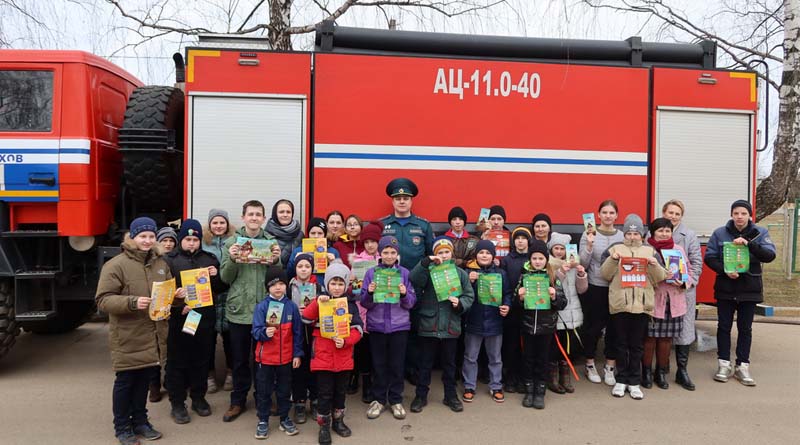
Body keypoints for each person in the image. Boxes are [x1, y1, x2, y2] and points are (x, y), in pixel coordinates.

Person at [96, 216, 186, 445]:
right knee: (126, 381)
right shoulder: (115, 265)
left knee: (144, 381)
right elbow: (103, 301)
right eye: (142, 236)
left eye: (151, 236)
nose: (147, 240)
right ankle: (122, 427)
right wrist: (132, 302)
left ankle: (141, 422)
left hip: (154, 335)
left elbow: (165, 297)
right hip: (128, 335)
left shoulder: (160, 264)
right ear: (133, 238)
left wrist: (176, 298)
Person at [220, 200, 282, 423]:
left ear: (263, 219)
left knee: (264, 360)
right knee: (239, 360)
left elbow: (279, 277)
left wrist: (276, 260)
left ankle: (263, 398)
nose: (254, 218)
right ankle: (237, 401)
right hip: (240, 310)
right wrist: (234, 259)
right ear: (243, 217)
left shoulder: (271, 242)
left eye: (258, 215)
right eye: (250, 214)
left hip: (266, 311)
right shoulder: (231, 243)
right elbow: (225, 278)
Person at [704, 199, 776, 386]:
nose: (739, 217)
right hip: (726, 288)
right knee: (724, 327)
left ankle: (742, 366)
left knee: (745, 329)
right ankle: (723, 364)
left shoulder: (760, 233)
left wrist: (749, 244)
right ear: (731, 215)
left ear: (750, 215)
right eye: (736, 213)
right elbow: (710, 258)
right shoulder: (720, 233)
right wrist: (724, 270)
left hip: (749, 288)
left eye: (743, 213)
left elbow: (769, 256)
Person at [163, 219, 226, 424]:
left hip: (203, 318)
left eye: (195, 239)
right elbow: (160, 291)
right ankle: (177, 403)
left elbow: (220, 288)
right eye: (188, 239)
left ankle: (198, 398)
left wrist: (216, 277)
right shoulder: (169, 261)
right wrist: (177, 299)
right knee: (177, 362)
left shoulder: (210, 259)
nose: (191, 243)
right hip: (179, 319)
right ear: (181, 240)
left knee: (201, 360)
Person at [600, 214, 669, 400]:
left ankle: (634, 381)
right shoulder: (614, 249)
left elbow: (660, 277)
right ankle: (621, 379)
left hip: (642, 305)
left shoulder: (650, 251)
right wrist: (613, 259)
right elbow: (604, 274)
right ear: (624, 233)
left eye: (636, 233)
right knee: (620, 344)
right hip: (620, 304)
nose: (632, 236)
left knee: (637, 345)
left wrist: (654, 265)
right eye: (629, 232)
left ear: (642, 234)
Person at [409, 237, 474, 413]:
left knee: (449, 364)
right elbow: (413, 278)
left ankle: (450, 395)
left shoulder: (460, 273)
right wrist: (425, 262)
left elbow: (469, 296)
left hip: (450, 326)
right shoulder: (428, 271)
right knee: (425, 364)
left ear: (451, 253)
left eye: (447, 252)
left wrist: (459, 304)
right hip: (429, 324)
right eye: (440, 252)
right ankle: (421, 395)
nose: (444, 255)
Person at [302, 262, 364, 445]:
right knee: (324, 394)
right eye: (333, 283)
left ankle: (338, 421)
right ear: (327, 284)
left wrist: (346, 341)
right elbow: (306, 318)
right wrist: (317, 302)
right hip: (323, 358)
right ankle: (323, 426)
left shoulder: (350, 306)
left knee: (340, 393)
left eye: (340, 284)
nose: (336, 288)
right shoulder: (321, 301)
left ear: (346, 286)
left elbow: (359, 329)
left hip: (344, 358)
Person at [380, 178, 433, 386]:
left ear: (411, 201)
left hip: (415, 288)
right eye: (398, 198)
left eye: (405, 198)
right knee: (390, 331)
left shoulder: (423, 225)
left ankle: (411, 370)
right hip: (387, 288)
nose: (402, 201)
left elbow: (431, 256)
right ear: (392, 202)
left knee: (413, 331)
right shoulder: (382, 224)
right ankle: (390, 373)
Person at [360, 236, 416, 420]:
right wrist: (369, 292)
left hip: (399, 326)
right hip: (377, 326)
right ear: (380, 253)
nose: (389, 256)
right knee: (379, 365)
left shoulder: (405, 274)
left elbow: (411, 303)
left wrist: (403, 293)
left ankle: (396, 399)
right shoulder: (371, 273)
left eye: (392, 252)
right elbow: (364, 303)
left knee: (397, 365)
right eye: (385, 252)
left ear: (397, 253)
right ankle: (378, 399)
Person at [251, 268, 303, 440]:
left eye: (281, 284)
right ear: (267, 287)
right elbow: (255, 331)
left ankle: (284, 418)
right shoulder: (261, 307)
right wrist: (265, 333)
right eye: (273, 285)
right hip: (265, 358)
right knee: (264, 391)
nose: (278, 288)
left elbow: (297, 333)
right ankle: (263, 420)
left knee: (284, 390)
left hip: (286, 359)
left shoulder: (292, 307)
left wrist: (297, 354)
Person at [515, 240, 567, 409]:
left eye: (541, 258)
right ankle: (529, 390)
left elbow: (563, 303)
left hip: (546, 328)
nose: (537, 261)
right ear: (530, 259)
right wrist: (519, 297)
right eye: (534, 258)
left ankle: (540, 391)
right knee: (528, 359)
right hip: (528, 326)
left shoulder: (553, 278)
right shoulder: (524, 276)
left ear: (546, 260)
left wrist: (554, 297)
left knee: (543, 360)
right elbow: (515, 302)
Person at [642, 218, 692, 390]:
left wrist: (684, 282)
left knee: (666, 339)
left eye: (668, 231)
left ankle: (660, 372)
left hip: (674, 300)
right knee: (649, 339)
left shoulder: (678, 249)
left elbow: (689, 271)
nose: (664, 234)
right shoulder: (647, 250)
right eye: (660, 231)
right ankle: (646, 372)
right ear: (653, 232)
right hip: (653, 299)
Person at [578, 199, 624, 386]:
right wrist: (589, 246)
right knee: (593, 328)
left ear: (616, 216)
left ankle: (610, 366)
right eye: (604, 212)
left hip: (616, 288)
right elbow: (582, 263)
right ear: (598, 215)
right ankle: (589, 363)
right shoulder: (588, 234)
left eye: (611, 213)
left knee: (614, 327)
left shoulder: (622, 235)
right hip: (595, 286)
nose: (608, 216)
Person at [463, 240, 512, 403]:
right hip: (474, 321)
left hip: (495, 321)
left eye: (488, 253)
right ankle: (469, 385)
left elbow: (507, 293)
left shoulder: (501, 273)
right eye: (481, 252)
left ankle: (496, 385)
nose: (484, 255)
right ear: (476, 255)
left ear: (493, 256)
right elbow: (462, 295)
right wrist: (470, 281)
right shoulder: (468, 272)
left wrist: (506, 305)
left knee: (495, 357)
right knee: (470, 356)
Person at [662, 199, 703, 390]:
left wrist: (687, 282)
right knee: (658, 332)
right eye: (670, 212)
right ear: (664, 213)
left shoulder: (690, 235)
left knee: (684, 331)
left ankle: (682, 370)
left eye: (677, 213)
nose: (673, 216)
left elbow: (696, 263)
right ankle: (660, 370)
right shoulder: (653, 232)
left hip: (681, 291)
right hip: (660, 292)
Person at [347, 221, 382, 401]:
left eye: (373, 241)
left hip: (380, 311)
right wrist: (352, 282)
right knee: (361, 349)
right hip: (362, 310)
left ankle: (371, 382)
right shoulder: (358, 262)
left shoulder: (385, 260)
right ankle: (359, 378)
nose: (370, 245)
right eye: (367, 241)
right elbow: (352, 292)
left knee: (375, 350)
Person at [547, 232, 587, 394]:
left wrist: (581, 274)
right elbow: (551, 284)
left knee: (568, 346)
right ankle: (553, 378)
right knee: (554, 347)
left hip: (573, 311)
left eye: (562, 249)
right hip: (556, 312)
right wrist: (561, 272)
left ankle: (566, 376)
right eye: (556, 248)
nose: (559, 252)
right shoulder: (548, 264)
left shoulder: (573, 263)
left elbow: (582, 289)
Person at [202, 208, 235, 393]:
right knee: (208, 338)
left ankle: (231, 373)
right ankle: (209, 375)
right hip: (209, 296)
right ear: (209, 224)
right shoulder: (202, 243)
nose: (219, 226)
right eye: (215, 222)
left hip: (229, 296)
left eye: (222, 222)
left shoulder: (234, 242)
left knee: (230, 338)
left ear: (227, 224)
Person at [288, 253, 324, 424]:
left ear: (312, 268)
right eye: (300, 266)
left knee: (315, 367)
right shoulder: (289, 286)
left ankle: (315, 400)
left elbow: (325, 310)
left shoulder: (319, 287)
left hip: (314, 331)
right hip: (295, 332)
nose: (304, 269)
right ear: (295, 268)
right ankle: (300, 402)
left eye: (307, 266)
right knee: (298, 368)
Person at [146, 225, 177, 403]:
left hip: (169, 312)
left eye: (171, 241)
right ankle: (154, 386)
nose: (167, 244)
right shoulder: (152, 260)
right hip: (151, 311)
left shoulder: (172, 261)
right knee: (153, 350)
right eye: (164, 240)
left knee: (167, 350)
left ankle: (168, 382)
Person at [499, 226, 532, 393]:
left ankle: (523, 378)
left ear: (528, 241)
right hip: (511, 308)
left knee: (526, 346)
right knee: (510, 345)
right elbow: (503, 284)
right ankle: (510, 378)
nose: (520, 241)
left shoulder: (533, 259)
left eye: (523, 238)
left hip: (529, 308)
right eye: (517, 238)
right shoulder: (507, 260)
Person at [286, 217, 341, 282]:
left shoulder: (333, 252)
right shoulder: (298, 251)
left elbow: (339, 277)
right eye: (313, 233)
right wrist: (295, 261)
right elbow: (289, 275)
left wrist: (333, 262)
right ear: (308, 234)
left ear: (325, 235)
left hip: (324, 288)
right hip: (303, 288)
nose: (316, 236)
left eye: (320, 233)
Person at [265, 199, 304, 266]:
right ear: (275, 214)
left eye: (288, 212)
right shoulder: (266, 234)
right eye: (281, 212)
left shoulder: (300, 235)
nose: (285, 215)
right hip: (273, 275)